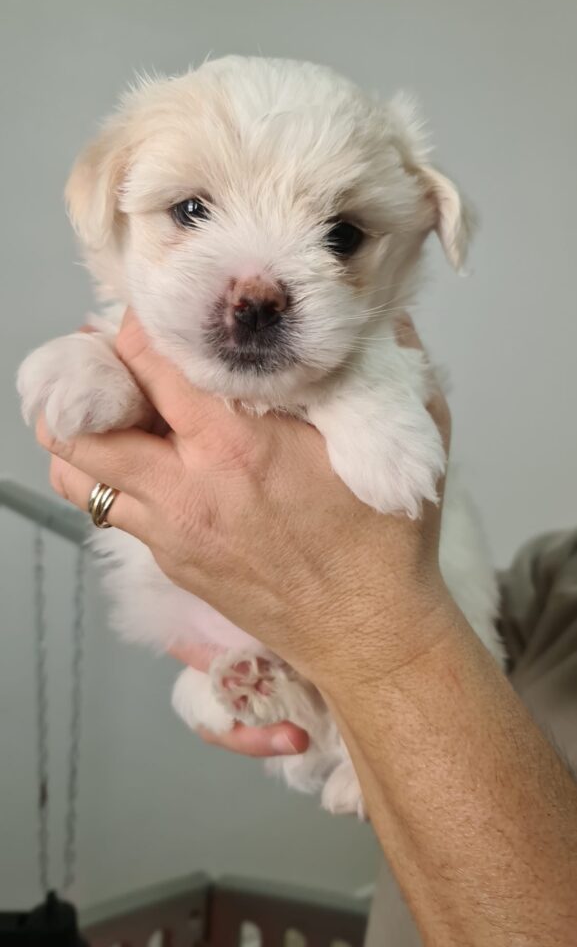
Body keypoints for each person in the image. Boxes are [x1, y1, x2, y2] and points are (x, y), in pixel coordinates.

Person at [37, 312, 577, 946]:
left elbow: (413, 616)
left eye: (340, 236)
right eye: (190, 210)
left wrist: (359, 630)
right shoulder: (556, 582)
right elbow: (485, 627)